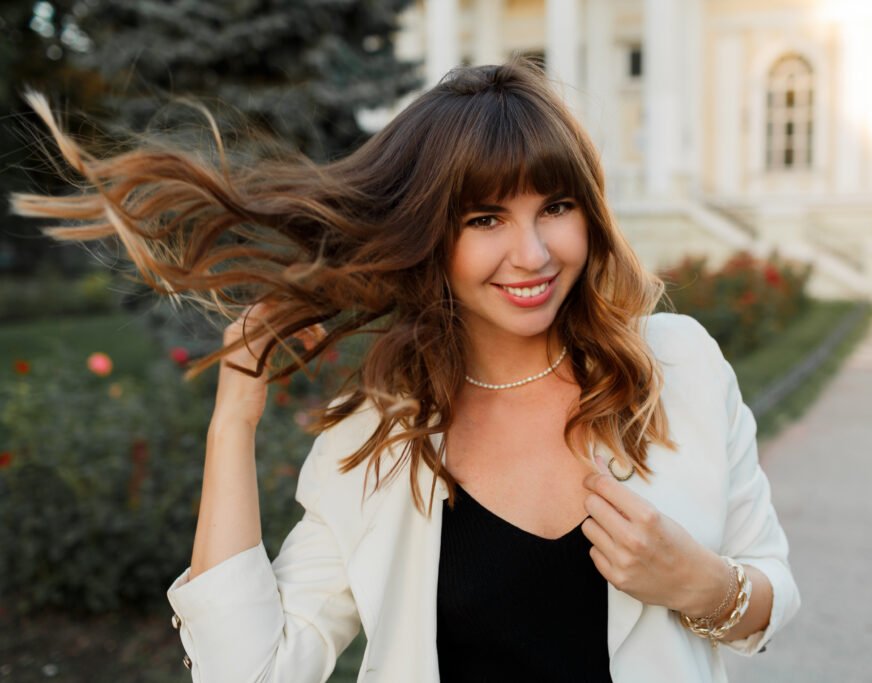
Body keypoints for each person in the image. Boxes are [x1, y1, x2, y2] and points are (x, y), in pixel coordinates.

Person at [12, 59, 799, 682]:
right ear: (432, 234)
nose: (533, 253)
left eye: (555, 207)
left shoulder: (677, 365)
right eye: (486, 219)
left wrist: (697, 583)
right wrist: (233, 422)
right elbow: (247, 671)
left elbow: (770, 591)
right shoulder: (380, 433)